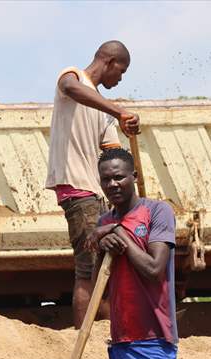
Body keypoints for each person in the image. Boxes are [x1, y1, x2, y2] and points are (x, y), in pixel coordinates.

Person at [45, 40, 140, 328]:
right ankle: (82, 335)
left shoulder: (101, 109)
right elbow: (73, 88)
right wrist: (118, 112)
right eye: (121, 72)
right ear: (109, 62)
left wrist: (128, 128)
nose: (120, 79)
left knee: (102, 268)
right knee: (89, 270)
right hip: (77, 188)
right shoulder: (72, 77)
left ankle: (108, 330)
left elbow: (113, 154)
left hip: (94, 193)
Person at [86, 148, 178, 359]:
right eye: (106, 179)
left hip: (153, 341)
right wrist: (102, 251)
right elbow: (99, 293)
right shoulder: (104, 222)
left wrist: (120, 234)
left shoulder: (158, 212)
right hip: (121, 342)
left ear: (134, 176)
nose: (112, 184)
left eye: (119, 177)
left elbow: (154, 270)